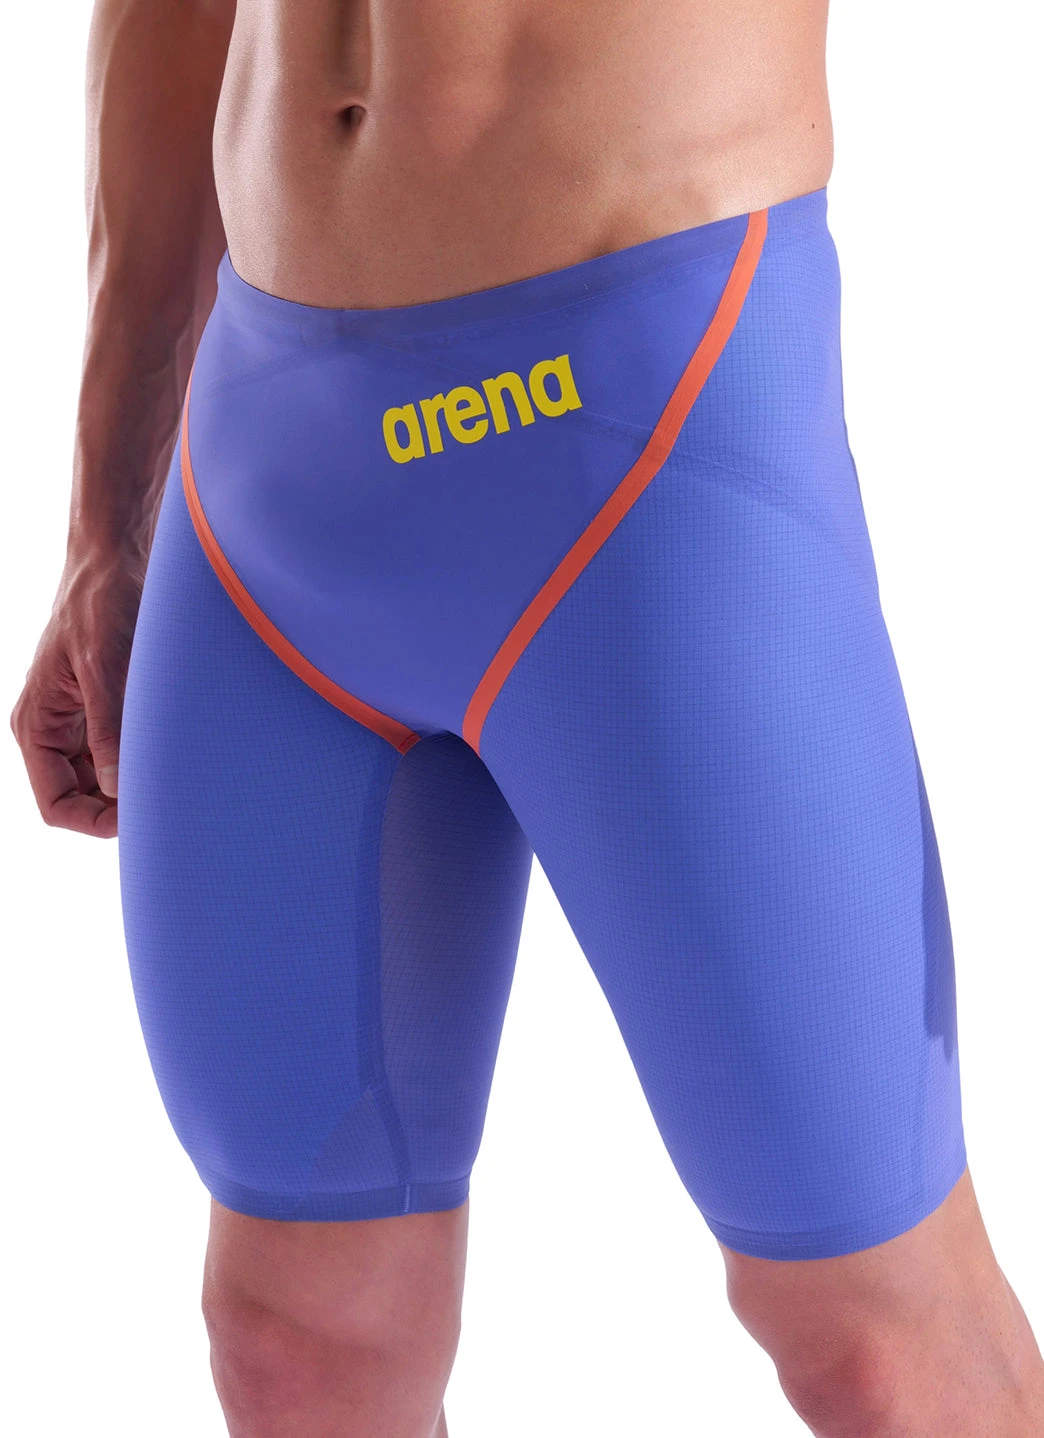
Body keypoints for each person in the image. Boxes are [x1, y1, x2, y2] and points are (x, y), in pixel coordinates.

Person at [10, 0, 1044, 1433]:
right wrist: (109, 499)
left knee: (872, 1331)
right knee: (296, 1334)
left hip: (641, 429)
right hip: (267, 464)